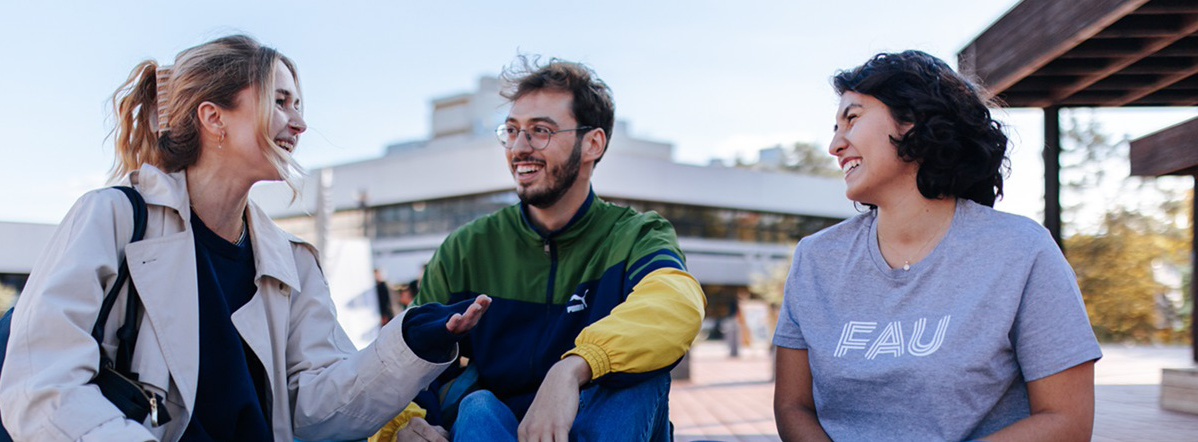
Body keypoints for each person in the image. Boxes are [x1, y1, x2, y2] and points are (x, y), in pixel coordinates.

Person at [0, 35, 490, 441]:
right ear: (214, 118)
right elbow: (43, 386)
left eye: (298, 105)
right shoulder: (112, 218)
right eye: (280, 102)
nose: (300, 123)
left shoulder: (293, 261)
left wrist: (409, 344)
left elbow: (312, 412)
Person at [772, 50, 1101, 442]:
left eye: (852, 119)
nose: (834, 145)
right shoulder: (816, 258)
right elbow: (793, 406)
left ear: (913, 120)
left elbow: (1067, 420)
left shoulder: (1022, 251)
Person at [399, 56, 706, 441]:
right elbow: (413, 355)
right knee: (476, 408)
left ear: (592, 143)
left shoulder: (636, 235)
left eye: (540, 131)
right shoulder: (467, 248)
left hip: (603, 421)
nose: (519, 147)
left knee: (638, 379)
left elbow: (676, 306)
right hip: (502, 429)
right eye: (512, 131)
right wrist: (407, 423)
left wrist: (574, 368)